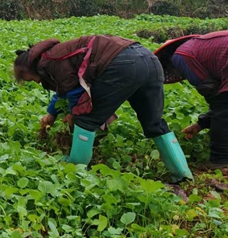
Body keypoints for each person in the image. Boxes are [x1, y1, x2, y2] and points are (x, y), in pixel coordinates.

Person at [14, 35, 193, 183]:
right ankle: (182, 175)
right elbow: (63, 88)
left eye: (30, 79)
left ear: (31, 67)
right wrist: (51, 114)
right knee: (154, 122)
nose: (35, 82)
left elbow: (74, 92)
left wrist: (72, 114)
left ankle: (75, 171)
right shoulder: (55, 55)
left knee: (85, 118)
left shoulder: (48, 62)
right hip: (150, 60)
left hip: (122, 65)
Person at [155, 31, 228, 170]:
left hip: (191, 57)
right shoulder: (193, 49)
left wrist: (204, 122)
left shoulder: (184, 53)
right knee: (223, 106)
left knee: (223, 108)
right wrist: (202, 123)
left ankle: (220, 160)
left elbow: (221, 105)